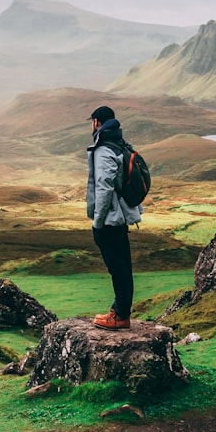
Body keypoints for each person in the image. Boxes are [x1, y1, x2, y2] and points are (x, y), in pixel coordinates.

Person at [86, 105, 142, 330]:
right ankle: (121, 310)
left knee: (117, 266)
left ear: (97, 122)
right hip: (121, 216)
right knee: (123, 265)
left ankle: (120, 315)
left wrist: (97, 222)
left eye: (92, 121)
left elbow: (104, 187)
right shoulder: (119, 143)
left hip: (111, 218)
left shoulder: (104, 148)